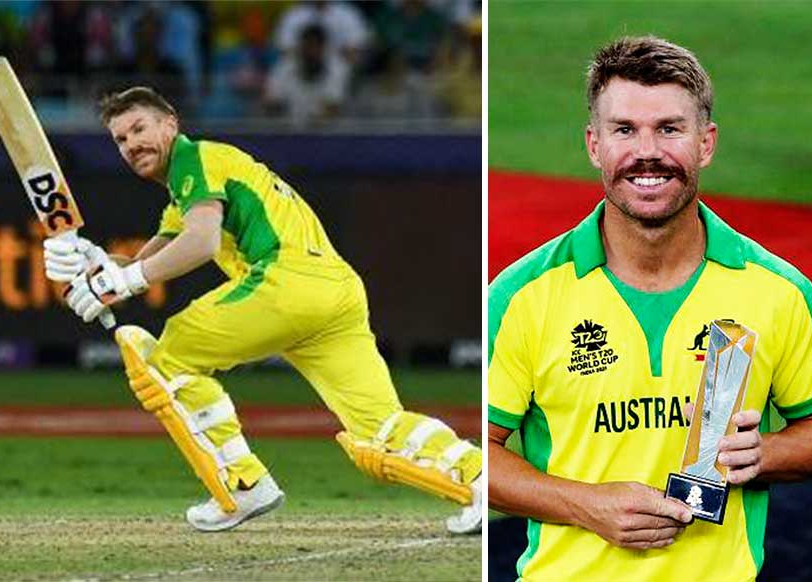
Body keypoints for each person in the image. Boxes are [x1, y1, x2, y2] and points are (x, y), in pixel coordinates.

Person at [42, 86, 482, 535]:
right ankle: (483, 480)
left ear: (170, 123)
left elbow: (200, 243)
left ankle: (243, 482)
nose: (132, 143)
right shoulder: (186, 192)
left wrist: (122, 281)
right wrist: (90, 262)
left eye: (139, 128)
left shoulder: (197, 160)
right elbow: (144, 262)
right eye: (120, 139)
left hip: (287, 282)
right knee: (380, 427)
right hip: (335, 294)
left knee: (167, 356)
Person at [488, 36, 812, 580]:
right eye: (625, 130)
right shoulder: (520, 294)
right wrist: (586, 505)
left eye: (669, 129)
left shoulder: (780, 290)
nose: (647, 151)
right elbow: (482, 455)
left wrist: (766, 455)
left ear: (705, 143)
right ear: (594, 145)